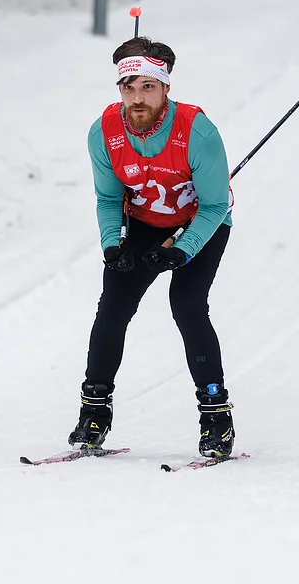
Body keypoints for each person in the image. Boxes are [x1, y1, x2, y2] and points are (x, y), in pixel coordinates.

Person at [68, 35, 237, 458]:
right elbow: (109, 198)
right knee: (114, 305)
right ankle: (94, 412)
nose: (137, 98)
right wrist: (112, 244)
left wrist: (184, 249)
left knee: (187, 302)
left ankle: (216, 416)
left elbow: (216, 204)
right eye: (129, 87)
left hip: (202, 221)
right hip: (143, 222)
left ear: (165, 88)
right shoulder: (104, 131)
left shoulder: (198, 131)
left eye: (148, 86)